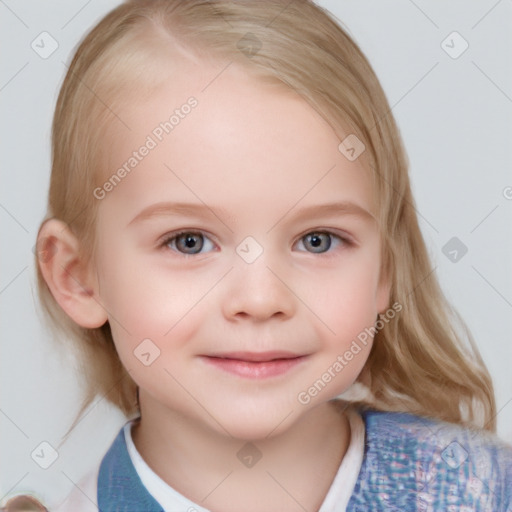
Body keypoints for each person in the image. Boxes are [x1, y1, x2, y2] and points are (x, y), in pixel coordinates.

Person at [18, 0, 512, 510]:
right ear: (78, 277)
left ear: (384, 268)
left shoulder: (485, 490)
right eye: (189, 241)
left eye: (317, 240)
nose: (260, 299)